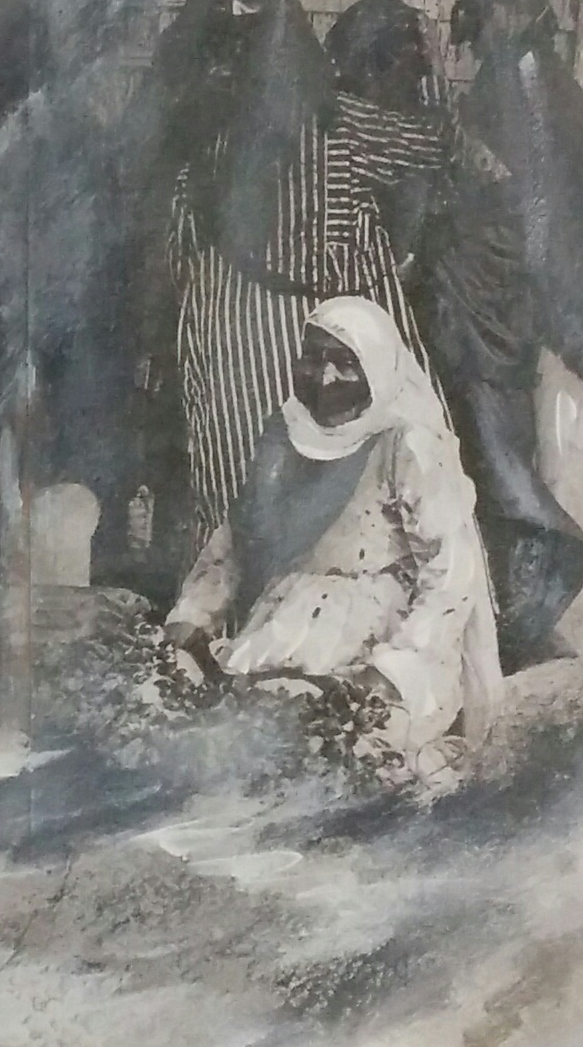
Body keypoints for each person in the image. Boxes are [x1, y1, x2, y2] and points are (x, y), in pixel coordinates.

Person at [326, 0, 583, 665]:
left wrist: (437, 247)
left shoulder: (424, 132)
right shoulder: (379, 128)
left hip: (445, 329)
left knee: (462, 471)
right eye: (400, 64)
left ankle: (496, 620)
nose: (411, 76)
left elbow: (495, 204)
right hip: (402, 326)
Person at [137, 0, 415, 551]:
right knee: (268, 486)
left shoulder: (314, 115)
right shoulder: (328, 118)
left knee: (274, 484)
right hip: (274, 326)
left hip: (260, 322)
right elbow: (432, 155)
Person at [163, 295, 500, 761]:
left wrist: (396, 669)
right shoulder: (284, 436)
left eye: (345, 362)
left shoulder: (406, 443)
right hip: (286, 625)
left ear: (376, 366)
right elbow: (238, 538)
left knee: (344, 745)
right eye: (312, 358)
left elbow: (451, 571)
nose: (324, 377)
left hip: (384, 636)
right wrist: (193, 615)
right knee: (235, 733)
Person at [447, 0, 583, 651]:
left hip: (573, 310)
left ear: (515, 16)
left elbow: (537, 210)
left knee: (567, 469)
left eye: (489, 17)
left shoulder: (526, 81)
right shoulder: (525, 79)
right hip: (564, 306)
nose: (481, 33)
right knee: (564, 469)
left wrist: (527, 299)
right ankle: (572, 632)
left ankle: (579, 638)